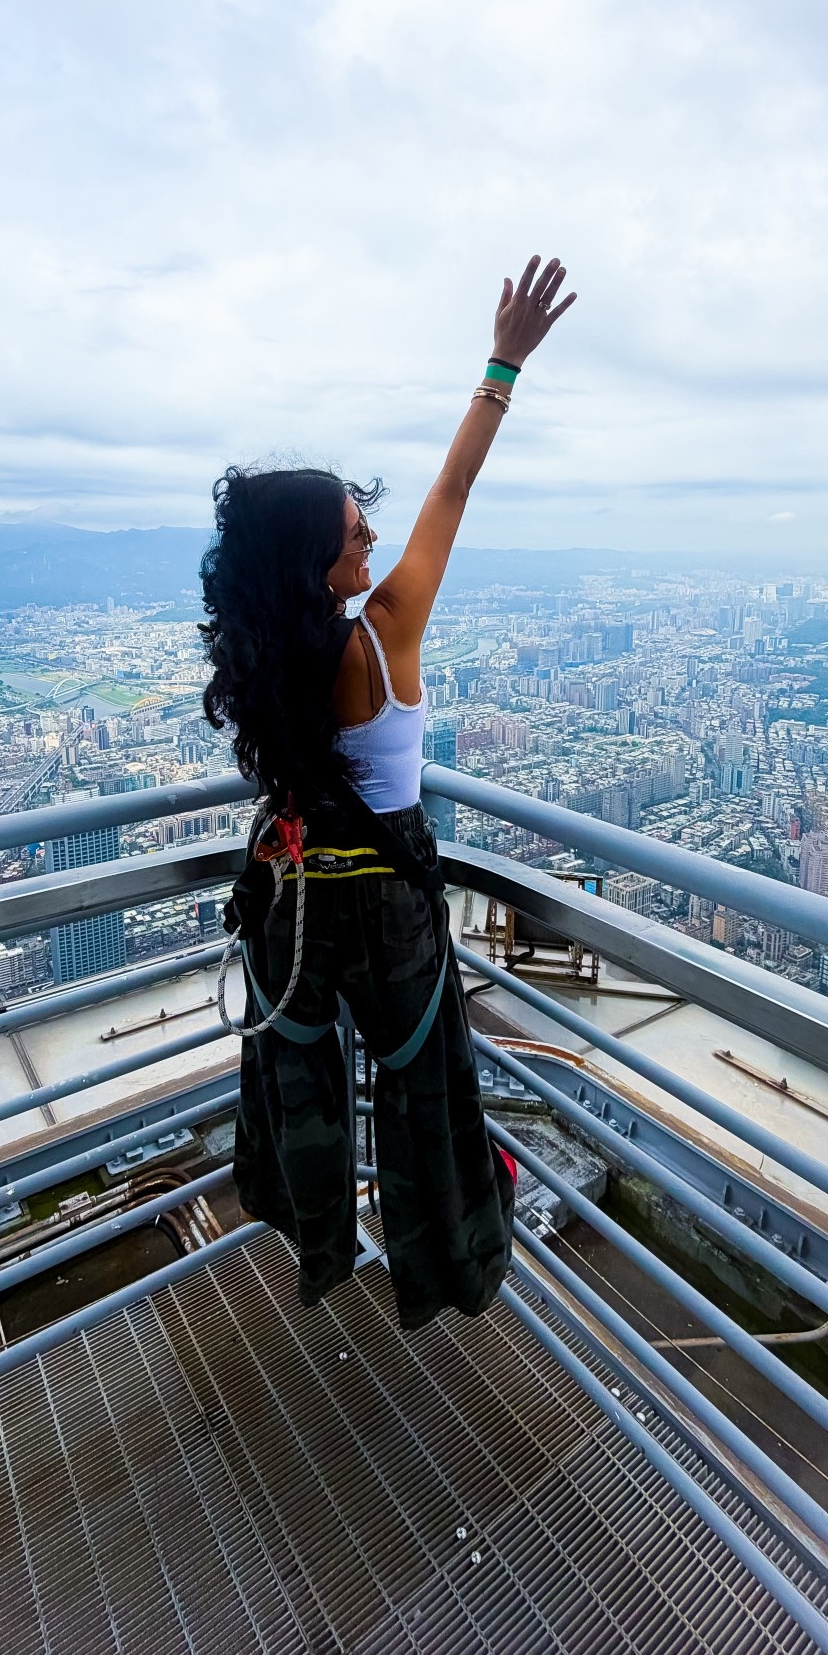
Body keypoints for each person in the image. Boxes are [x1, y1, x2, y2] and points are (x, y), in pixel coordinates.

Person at [200, 251, 576, 1330]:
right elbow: (453, 491)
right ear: (322, 561)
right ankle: (445, 1268)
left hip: (293, 901)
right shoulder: (385, 630)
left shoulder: (266, 657)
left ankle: (320, 1249)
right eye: (353, 528)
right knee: (427, 1090)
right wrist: (501, 365)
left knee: (302, 1083)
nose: (370, 532)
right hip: (390, 905)